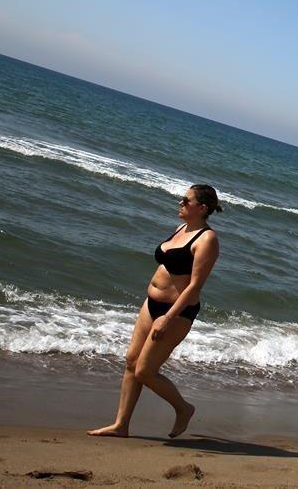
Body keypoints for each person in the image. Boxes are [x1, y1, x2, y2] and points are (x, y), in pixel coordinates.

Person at [89, 184, 222, 438]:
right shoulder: (182, 228)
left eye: (186, 200)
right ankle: (121, 425)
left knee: (145, 371)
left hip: (176, 313)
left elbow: (194, 286)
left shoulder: (207, 239)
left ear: (202, 208)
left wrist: (168, 318)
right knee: (131, 362)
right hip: (151, 305)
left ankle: (184, 409)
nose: (180, 203)